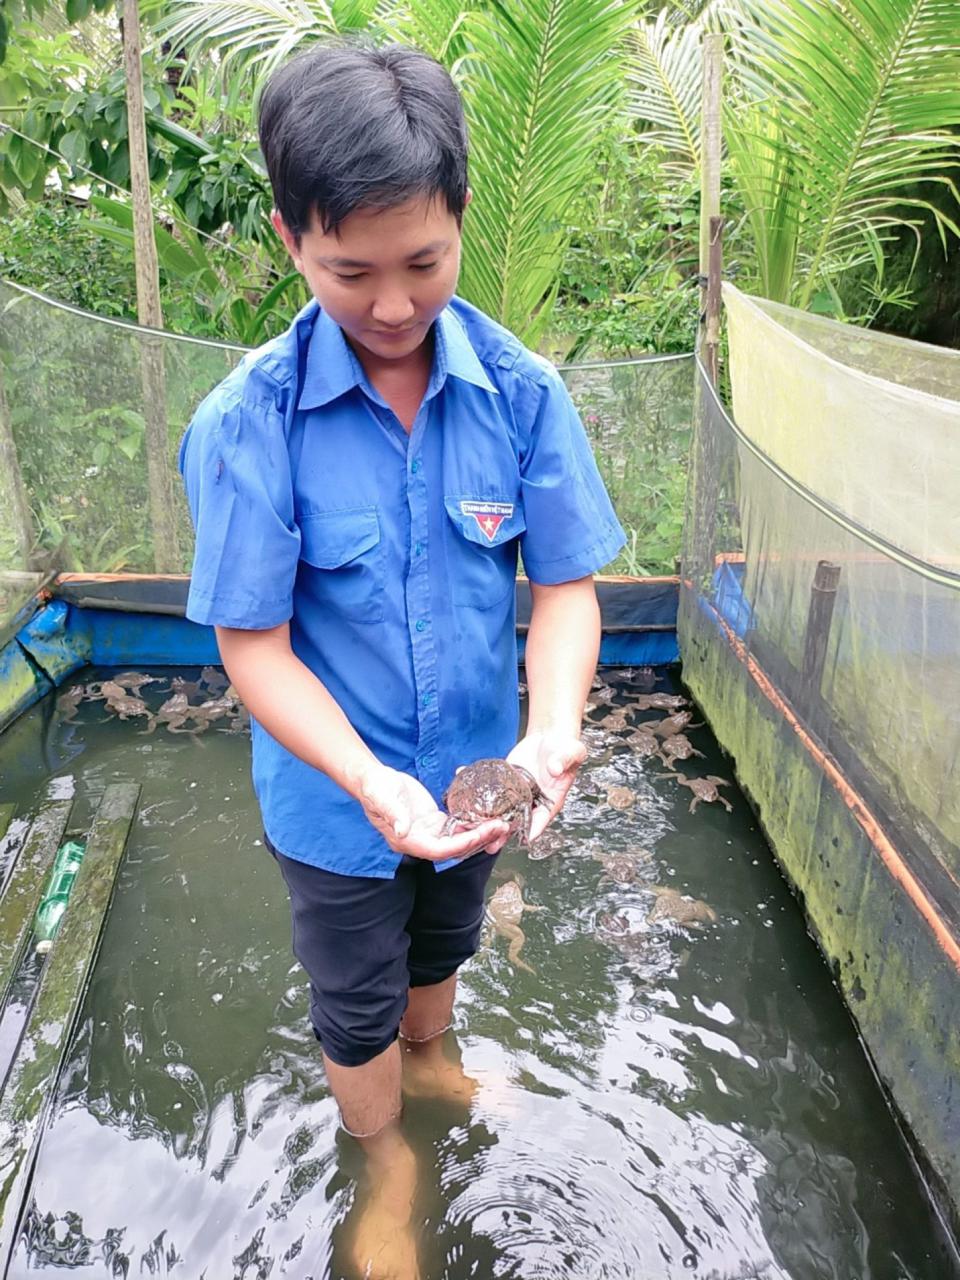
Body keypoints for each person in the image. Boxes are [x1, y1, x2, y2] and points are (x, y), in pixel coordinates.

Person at [179, 39, 624, 1279]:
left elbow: (566, 587)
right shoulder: (249, 422)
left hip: (479, 776)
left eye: (423, 263)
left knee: (442, 948)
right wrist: (371, 780)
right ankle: (384, 1160)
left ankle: (433, 1060)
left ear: (460, 216)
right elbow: (253, 644)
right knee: (353, 992)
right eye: (350, 271)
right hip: (336, 800)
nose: (390, 304)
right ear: (291, 239)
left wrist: (551, 731)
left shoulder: (522, 394)